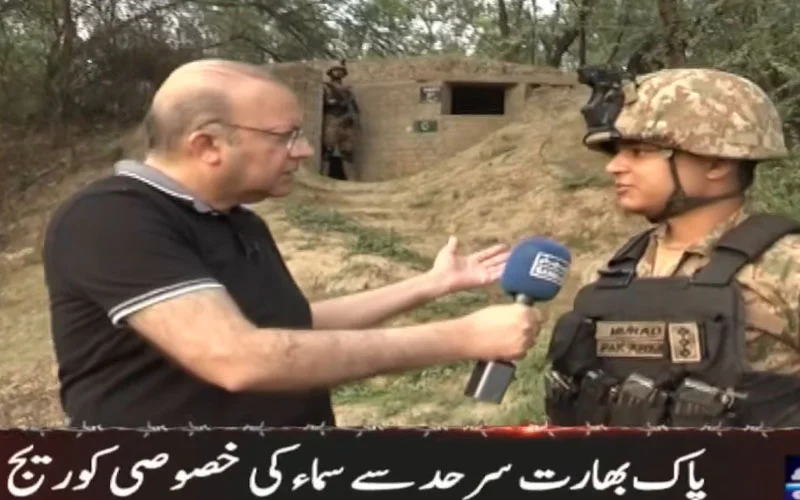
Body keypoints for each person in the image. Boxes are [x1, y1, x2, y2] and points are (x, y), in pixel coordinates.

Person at [42, 58, 544, 429]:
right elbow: (240, 356)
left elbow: (291, 326)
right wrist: (460, 338)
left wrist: (431, 285)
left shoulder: (239, 222)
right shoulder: (112, 218)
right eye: (285, 136)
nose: (303, 151)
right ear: (207, 145)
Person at [543, 65, 800, 428]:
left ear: (716, 161)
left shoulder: (788, 268)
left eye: (639, 151)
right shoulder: (613, 272)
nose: (614, 167)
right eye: (616, 151)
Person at [321, 60, 360, 180]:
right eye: (335, 70)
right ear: (330, 72)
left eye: (340, 71)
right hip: (332, 118)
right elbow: (324, 102)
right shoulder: (326, 87)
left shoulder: (348, 90)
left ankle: (351, 179)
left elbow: (355, 107)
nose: (338, 72)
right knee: (328, 148)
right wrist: (334, 102)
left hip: (346, 119)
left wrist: (354, 117)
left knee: (348, 150)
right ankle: (323, 177)